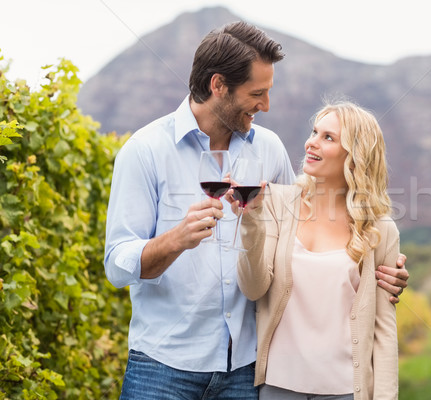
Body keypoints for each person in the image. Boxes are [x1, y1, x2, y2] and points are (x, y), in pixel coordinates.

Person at [104, 21, 408, 399]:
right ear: (219, 86)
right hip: (163, 366)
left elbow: (300, 237)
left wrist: (382, 272)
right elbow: (117, 265)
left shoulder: (269, 149)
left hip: (245, 368)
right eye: (257, 93)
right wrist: (175, 240)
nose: (265, 105)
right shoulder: (145, 150)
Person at [235, 101, 401, 400]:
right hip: (278, 386)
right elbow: (253, 287)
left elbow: (383, 328)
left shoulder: (380, 228)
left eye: (328, 137)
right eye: (314, 132)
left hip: (345, 389)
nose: (311, 143)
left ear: (355, 155)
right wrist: (251, 220)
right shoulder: (276, 202)